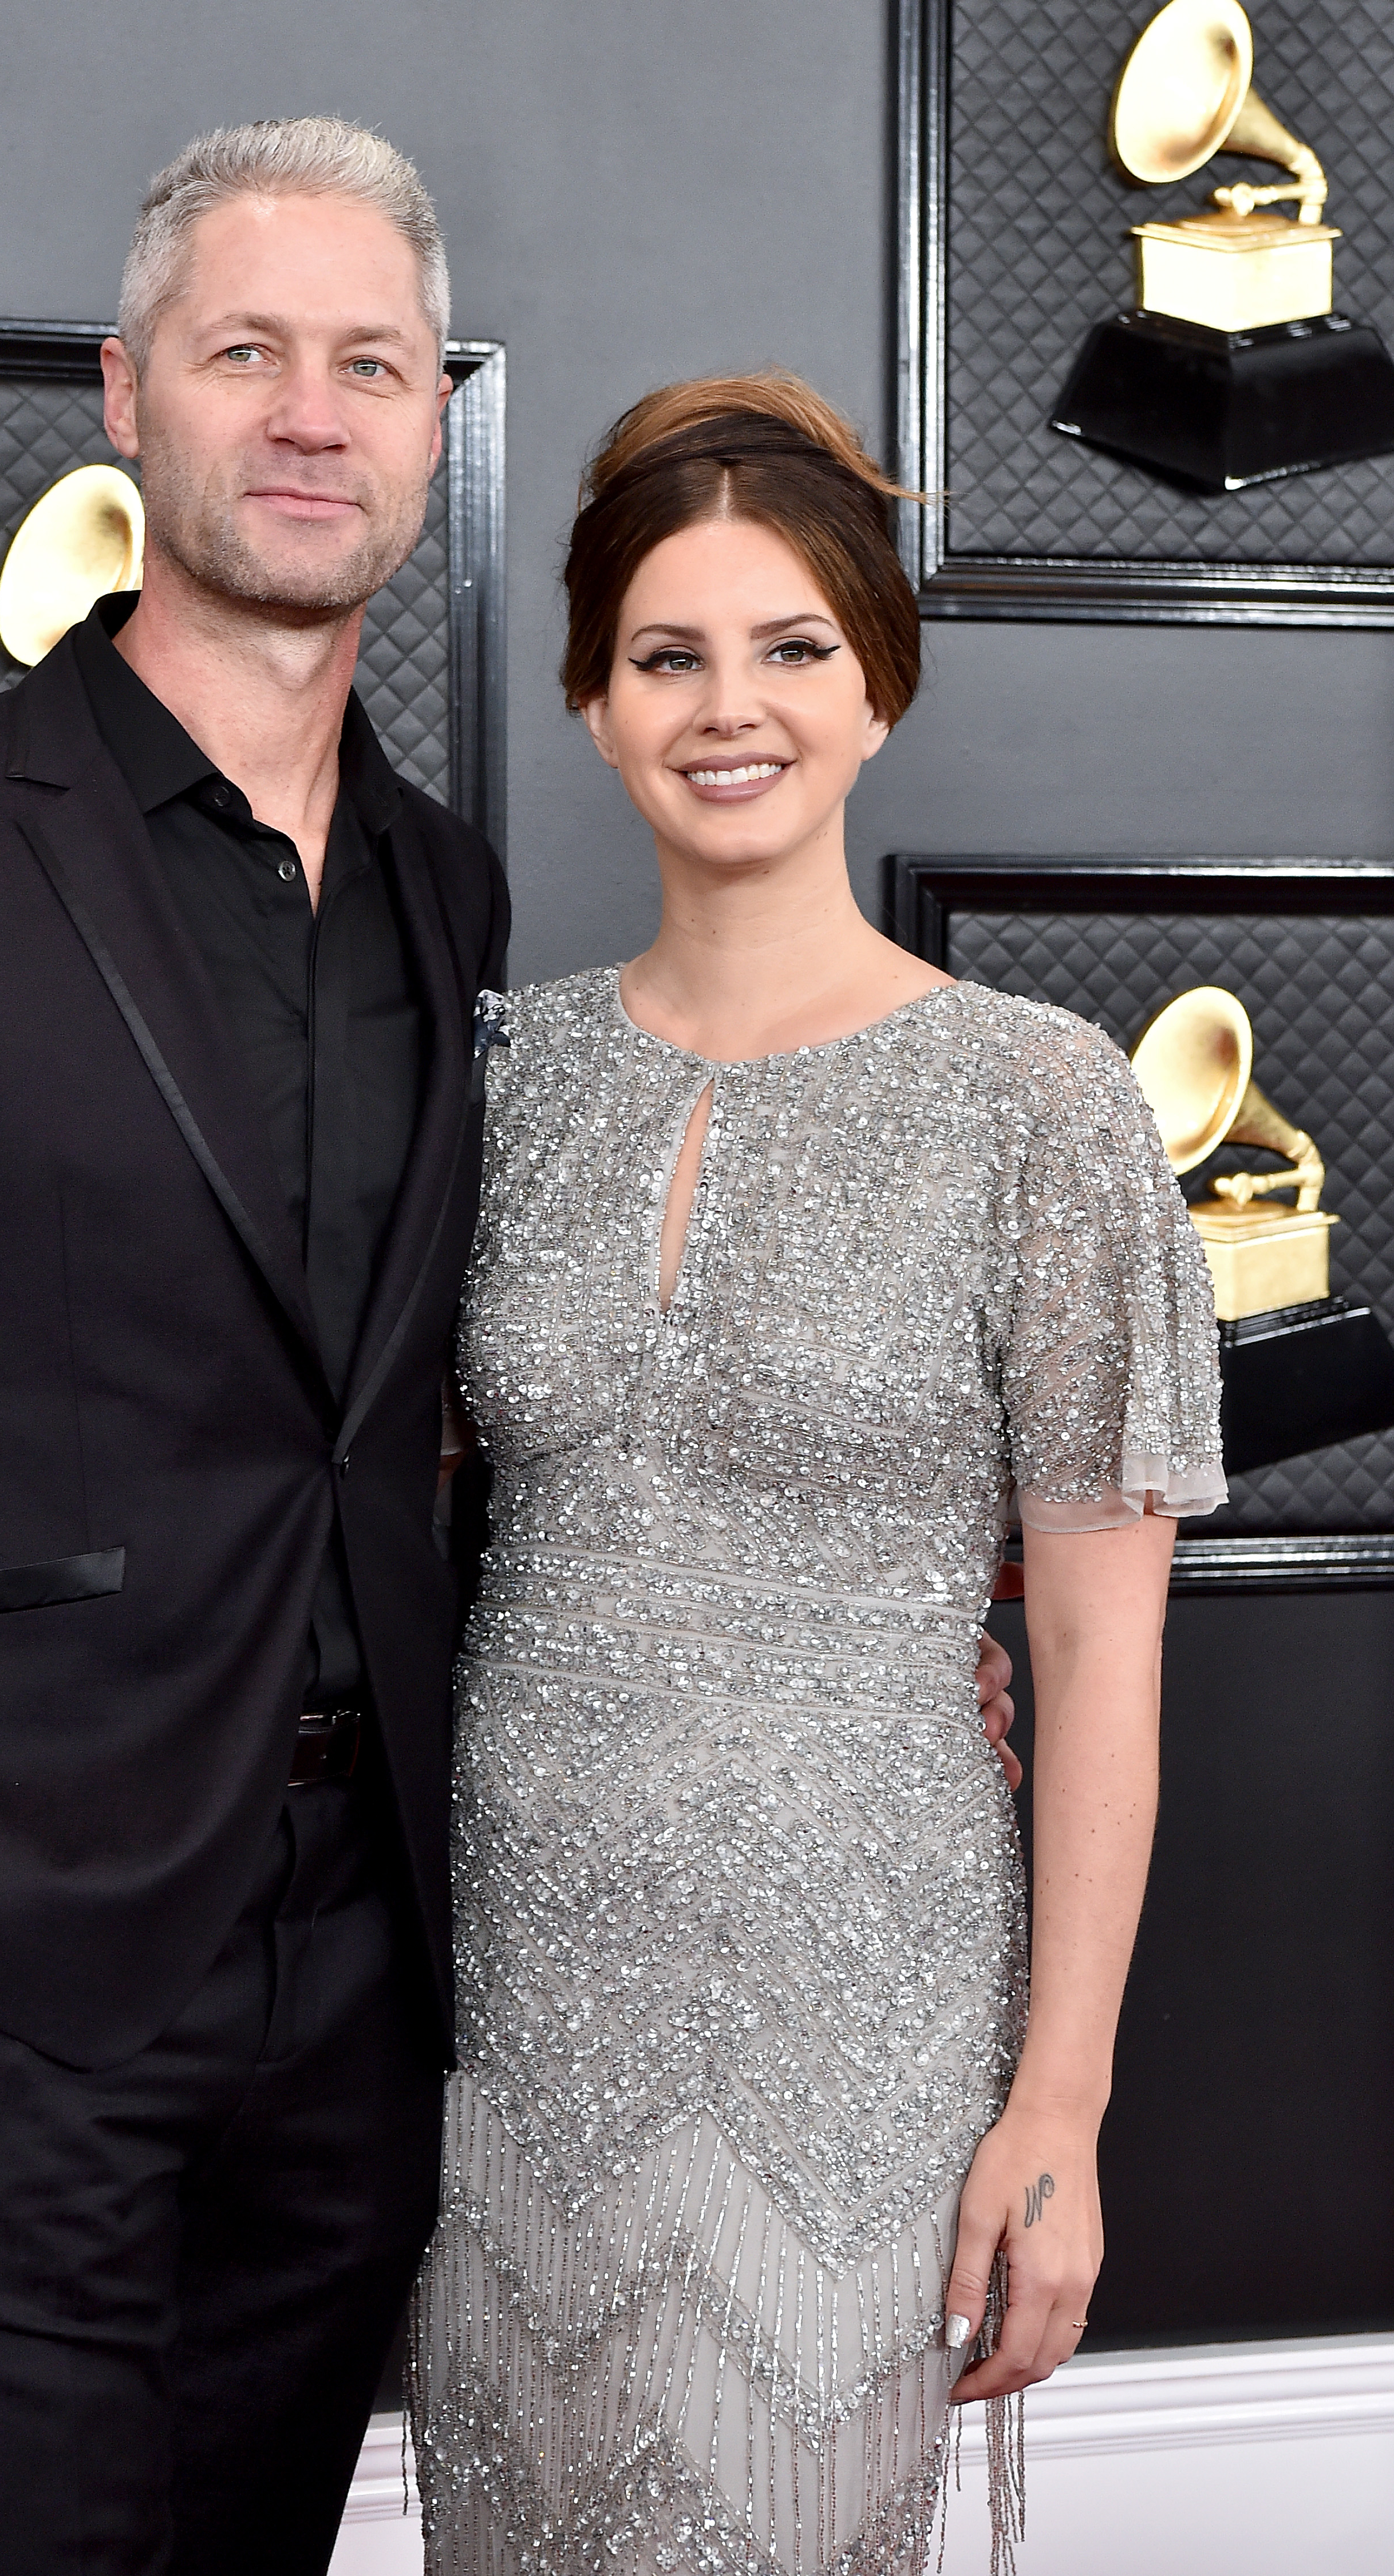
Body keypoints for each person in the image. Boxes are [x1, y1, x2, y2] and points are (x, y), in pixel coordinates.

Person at [0, 115, 1019, 2576]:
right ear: (131, 394)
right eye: (250, 353)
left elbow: (476, 1390)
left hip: (380, 1991)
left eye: (369, 363)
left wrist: (909, 1621)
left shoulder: (456, 889)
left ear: (438, 422)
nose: (312, 413)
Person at [404, 376, 1225, 2575]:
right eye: (667, 655)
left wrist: (1060, 2107)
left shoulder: (1040, 1108)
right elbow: (299, 1439)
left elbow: (1097, 1651)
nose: (728, 706)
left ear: (881, 685)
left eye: (790, 650)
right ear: (589, 699)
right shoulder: (489, 1078)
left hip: (857, 2002)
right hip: (511, 2009)